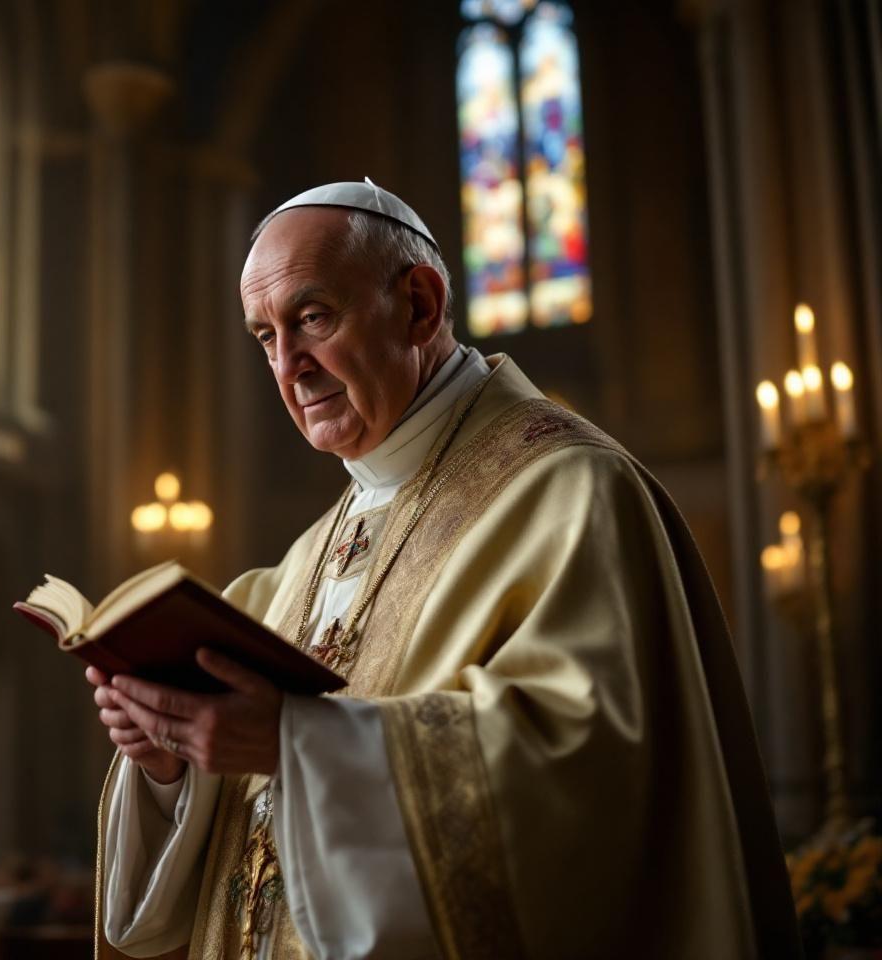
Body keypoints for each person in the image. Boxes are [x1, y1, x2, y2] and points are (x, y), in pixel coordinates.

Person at [86, 180, 800, 959]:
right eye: (266, 337)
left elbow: (589, 776)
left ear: (420, 306)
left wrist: (294, 741)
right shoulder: (296, 568)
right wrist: (172, 766)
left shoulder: (571, 492)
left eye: (313, 318)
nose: (290, 366)